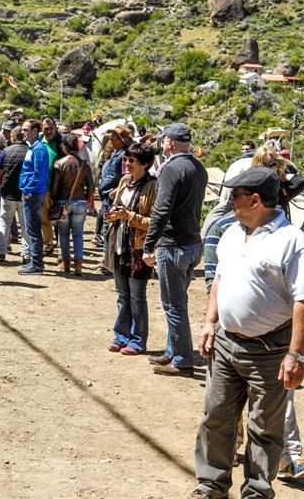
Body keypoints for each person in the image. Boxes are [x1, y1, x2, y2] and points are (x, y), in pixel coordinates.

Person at [192, 167, 304, 499]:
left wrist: (295, 355)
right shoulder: (231, 232)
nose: (229, 200)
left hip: (270, 350)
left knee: (264, 429)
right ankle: (211, 486)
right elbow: (221, 281)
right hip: (226, 343)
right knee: (216, 418)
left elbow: (302, 301)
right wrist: (209, 322)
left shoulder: (292, 241)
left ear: (255, 200)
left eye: (234, 195)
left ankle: (256, 491)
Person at [143, 122, 208, 377]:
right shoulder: (198, 168)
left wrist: (149, 244)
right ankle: (173, 350)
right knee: (179, 301)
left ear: (169, 142)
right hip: (192, 242)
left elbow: (161, 210)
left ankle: (182, 360)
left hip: (174, 245)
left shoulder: (171, 169)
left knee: (174, 305)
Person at [104, 143, 157, 355]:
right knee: (122, 295)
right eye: (126, 159)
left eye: (131, 161)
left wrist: (128, 216)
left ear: (144, 164)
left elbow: (154, 221)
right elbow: (117, 208)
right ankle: (121, 335)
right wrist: (111, 215)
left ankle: (137, 340)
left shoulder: (152, 186)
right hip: (119, 245)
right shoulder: (124, 182)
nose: (127, 164)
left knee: (137, 297)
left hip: (138, 247)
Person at [50, 133, 94, 276]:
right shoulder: (84, 165)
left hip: (63, 202)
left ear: (64, 147)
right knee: (78, 234)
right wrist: (86, 198)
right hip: (80, 202)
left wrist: (54, 200)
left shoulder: (59, 163)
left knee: (63, 234)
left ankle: (66, 264)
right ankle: (78, 266)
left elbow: (55, 188)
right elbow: (91, 186)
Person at [0, 125, 30, 263]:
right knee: (25, 225)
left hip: (7, 193)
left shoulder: (5, 151)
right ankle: (26, 255)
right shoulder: (29, 151)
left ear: (12, 137)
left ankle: (1, 251)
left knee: (4, 222)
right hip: (24, 194)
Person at [18, 119, 49, 275]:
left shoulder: (38, 149)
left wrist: (28, 190)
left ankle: (36, 264)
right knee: (32, 229)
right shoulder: (34, 148)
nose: (23, 132)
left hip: (33, 193)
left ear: (35, 131)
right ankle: (35, 262)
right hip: (32, 192)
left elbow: (38, 174)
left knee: (33, 229)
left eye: (26, 130)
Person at [252, 144, 304, 220]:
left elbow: (300, 182)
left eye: (272, 164)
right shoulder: (250, 186)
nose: (268, 169)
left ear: (277, 165)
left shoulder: (281, 187)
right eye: (263, 165)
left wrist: (282, 174)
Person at [40, 115, 64, 255]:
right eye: (46, 128)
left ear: (55, 128)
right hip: (43, 188)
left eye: (51, 128)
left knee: (60, 220)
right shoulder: (39, 142)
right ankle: (48, 245)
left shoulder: (60, 144)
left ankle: (62, 249)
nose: (48, 131)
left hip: (59, 188)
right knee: (45, 219)